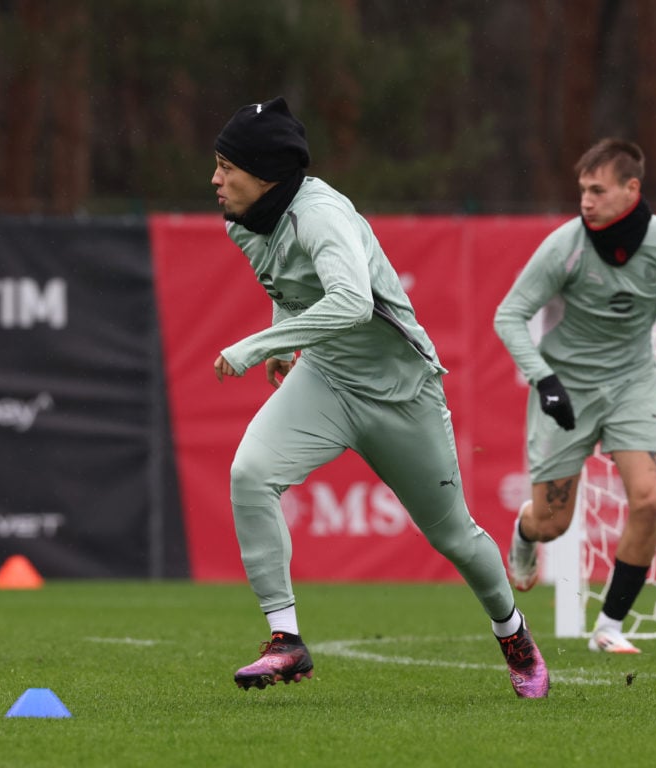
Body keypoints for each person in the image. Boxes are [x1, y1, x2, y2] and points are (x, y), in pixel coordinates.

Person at [212, 96, 548, 697]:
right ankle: (286, 640)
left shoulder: (321, 216)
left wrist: (258, 346)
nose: (214, 179)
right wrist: (289, 346)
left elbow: (351, 302)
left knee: (455, 539)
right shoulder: (242, 219)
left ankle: (512, 631)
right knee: (249, 473)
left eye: (226, 167)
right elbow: (288, 285)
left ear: (265, 175)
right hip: (327, 379)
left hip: (401, 395)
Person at [494, 138, 656, 654]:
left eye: (597, 189)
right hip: (567, 387)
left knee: (650, 499)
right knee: (554, 524)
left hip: (633, 385)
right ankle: (525, 531)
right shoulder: (563, 246)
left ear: (631, 189)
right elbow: (509, 314)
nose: (586, 200)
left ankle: (610, 628)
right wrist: (543, 379)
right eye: (582, 190)